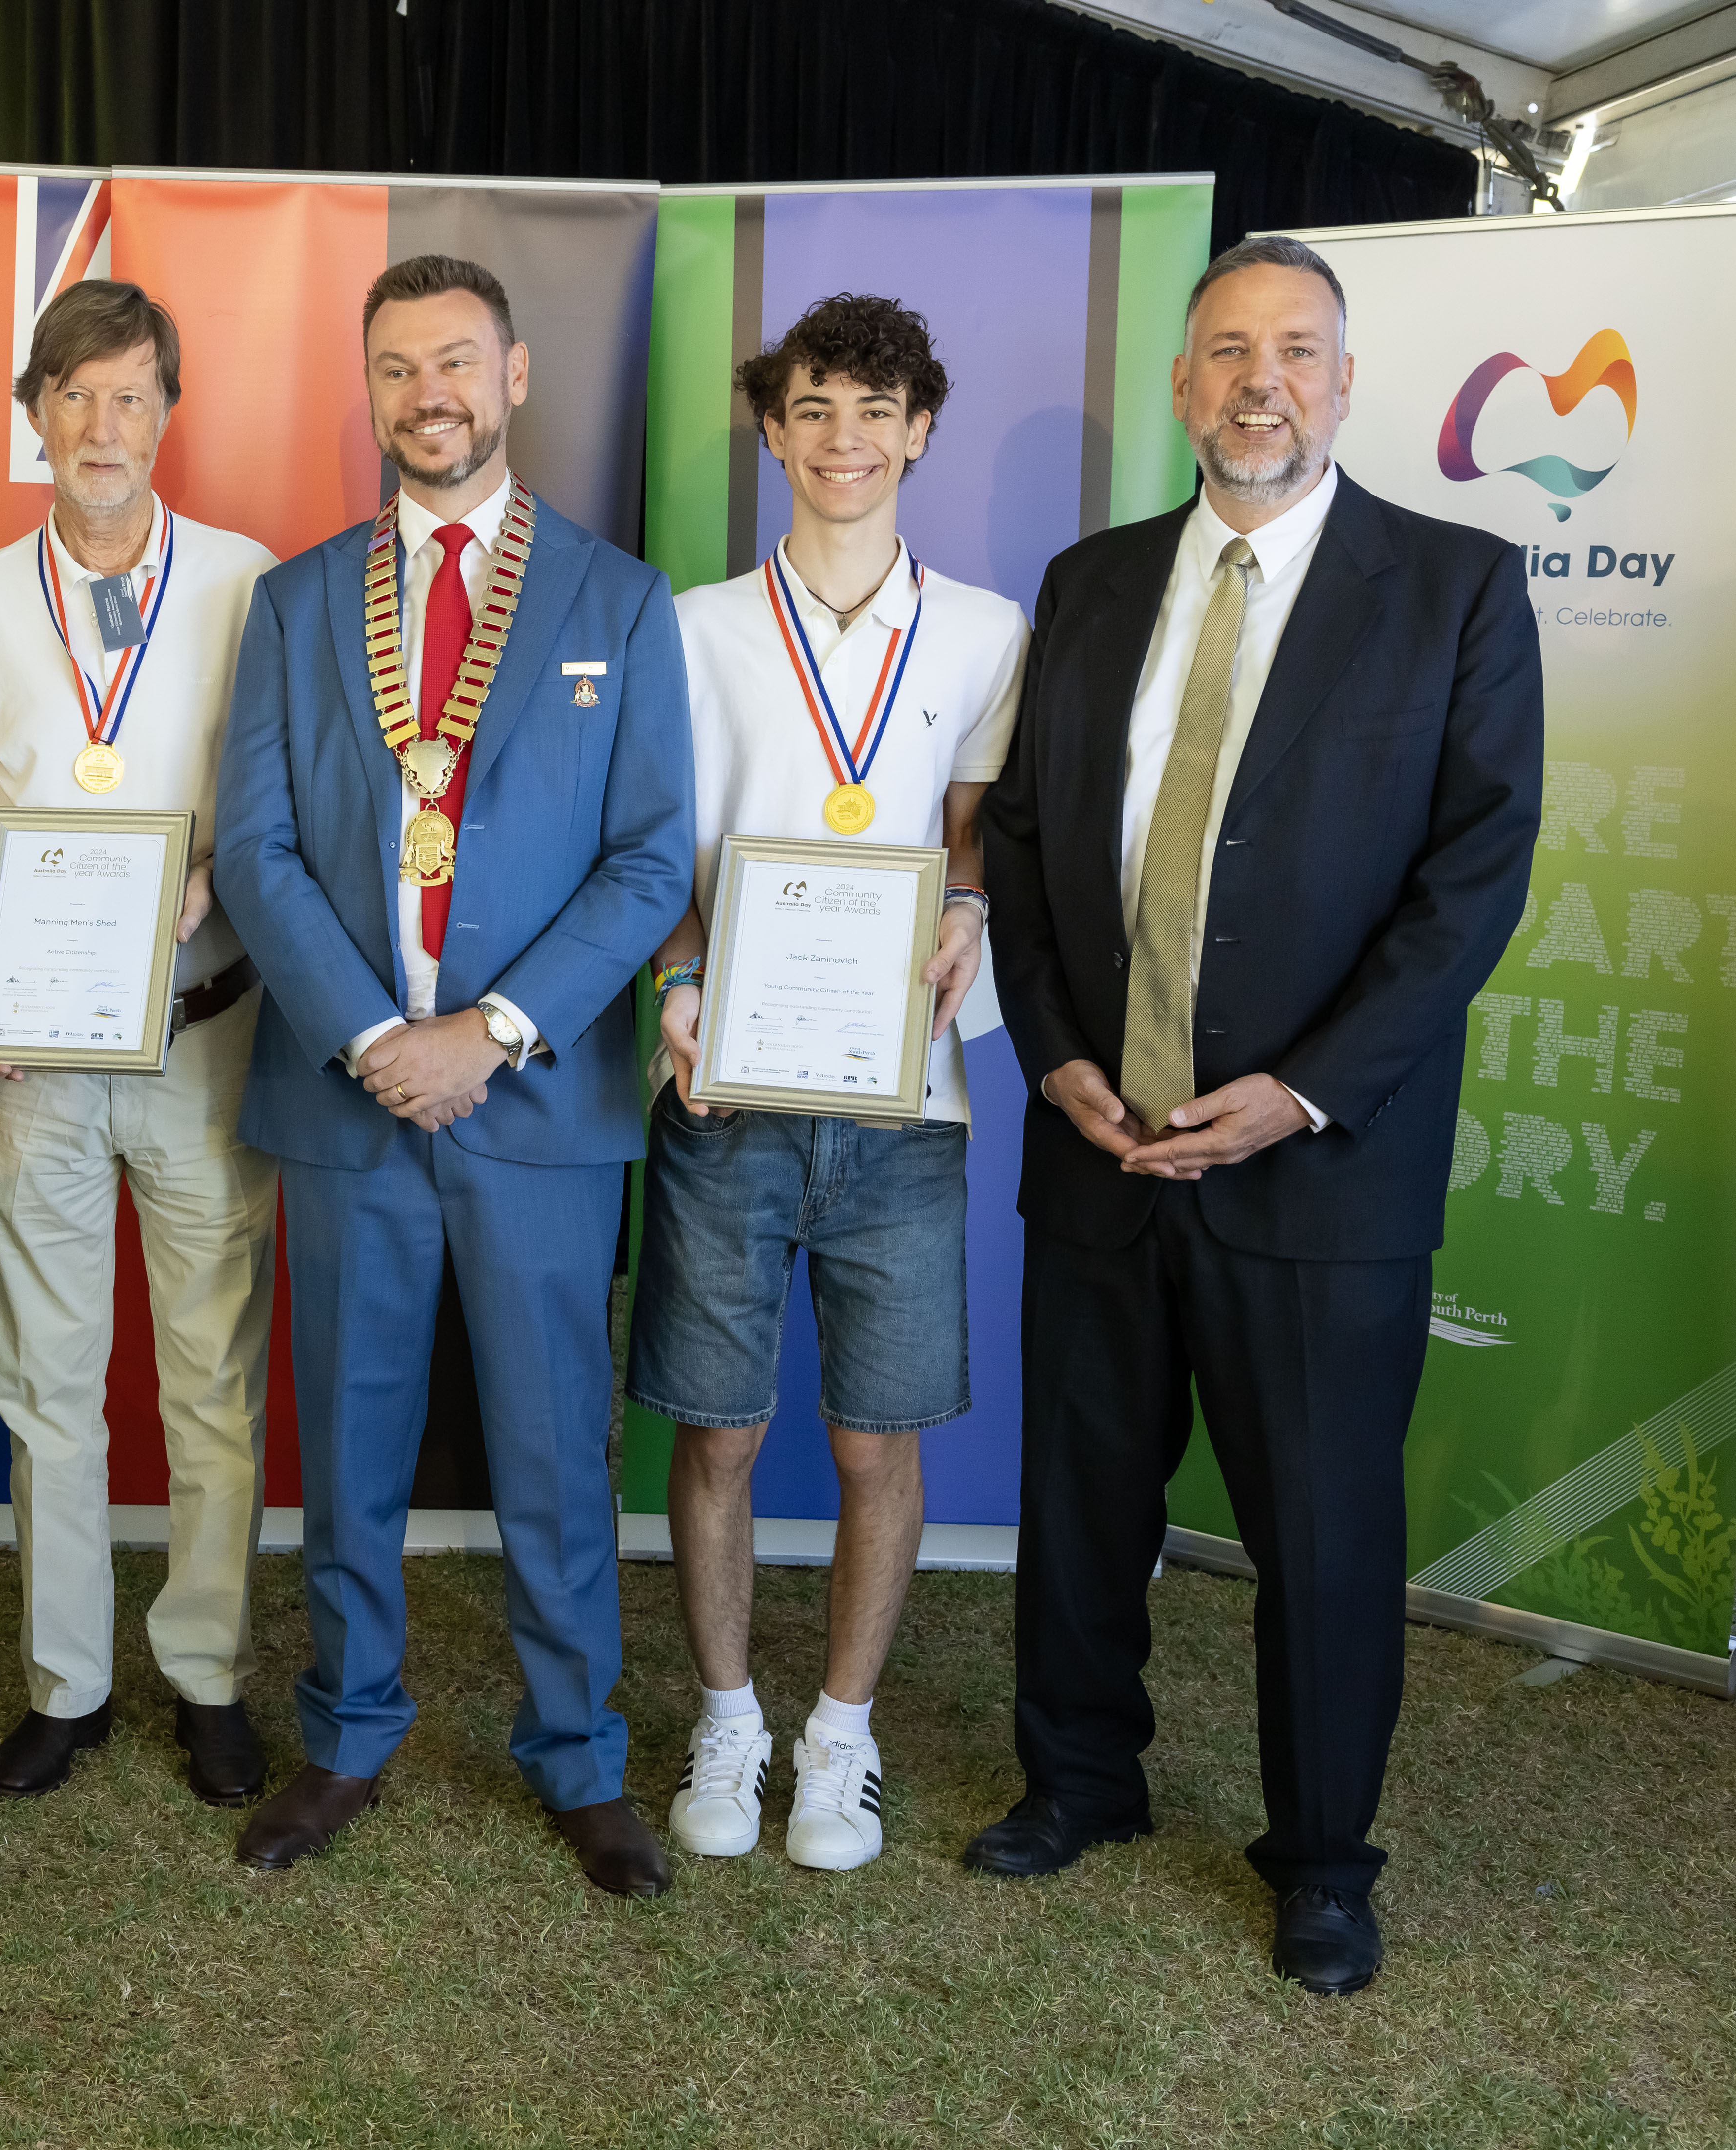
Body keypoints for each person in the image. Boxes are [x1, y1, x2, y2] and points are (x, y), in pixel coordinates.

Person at [975, 235, 1543, 1993]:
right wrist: (1054, 1048)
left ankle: (1319, 1861)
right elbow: (1020, 846)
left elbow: (1473, 877)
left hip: (1316, 1173)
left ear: (1346, 382)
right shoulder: (1087, 586)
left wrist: (1296, 1093)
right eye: (1226, 350)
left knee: (1319, 1528)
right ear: (1180, 386)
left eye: (1295, 350)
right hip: (1096, 1140)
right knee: (1078, 1495)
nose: (1258, 382)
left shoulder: (1450, 587)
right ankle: (1079, 1782)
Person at [213, 254, 694, 1894]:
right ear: (370, 391)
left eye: (457, 363)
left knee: (556, 1447)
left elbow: (647, 864)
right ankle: (346, 1736)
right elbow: (258, 852)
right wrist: (372, 1039)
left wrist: (481, 1035)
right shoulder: (293, 601)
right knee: (346, 1446)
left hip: (533, 1103)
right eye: (398, 367)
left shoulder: (617, 603)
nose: (430, 394)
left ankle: (577, 1760)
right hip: (347, 1096)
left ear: (516, 376)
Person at [635, 294, 1026, 1873]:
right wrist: (674, 985)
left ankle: (841, 1737)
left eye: (875, 409)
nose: (844, 438)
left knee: (875, 1439)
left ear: (919, 427)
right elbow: (658, 850)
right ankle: (726, 1715)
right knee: (718, 1431)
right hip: (723, 1093)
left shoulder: (989, 629)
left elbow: (975, 833)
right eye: (814, 408)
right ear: (772, 429)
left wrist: (969, 910)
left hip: (901, 1106)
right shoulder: (691, 628)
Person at [0, 280, 283, 1809]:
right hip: (36, 1059)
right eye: (74, 395)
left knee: (209, 1381)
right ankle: (66, 1681)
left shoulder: (252, 585)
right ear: (35, 415)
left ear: (166, 414)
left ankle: (204, 1671)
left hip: (205, 1036)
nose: (101, 426)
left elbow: (279, 807)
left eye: (131, 396)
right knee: (45, 1382)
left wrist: (215, 884)